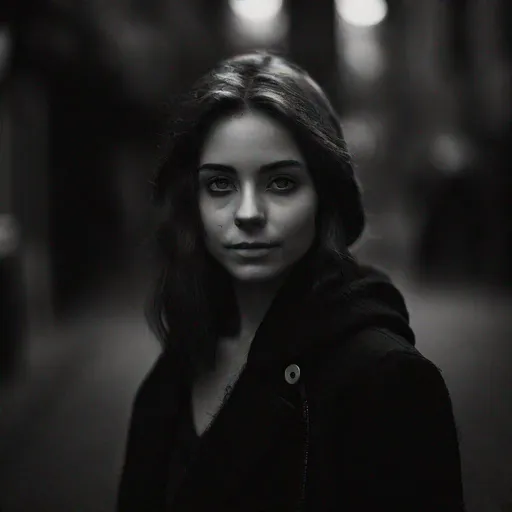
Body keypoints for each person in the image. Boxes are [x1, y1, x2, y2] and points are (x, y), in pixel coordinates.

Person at [116, 51, 466, 511]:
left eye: (280, 183)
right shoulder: (180, 364)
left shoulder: (387, 381)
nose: (248, 214)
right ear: (192, 202)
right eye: (220, 185)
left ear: (325, 195)